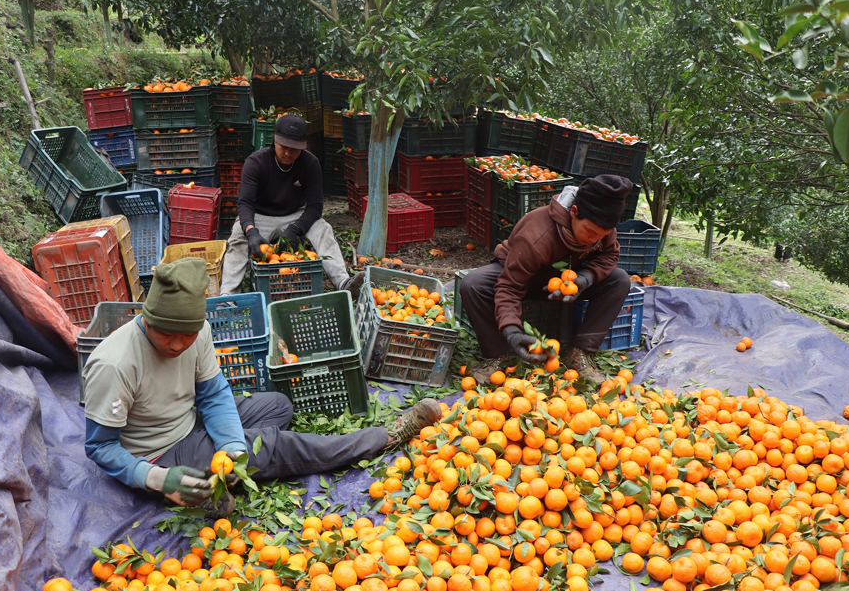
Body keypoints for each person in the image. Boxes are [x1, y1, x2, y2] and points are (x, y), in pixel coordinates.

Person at [83, 258, 440, 516]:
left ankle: (221, 477)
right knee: (275, 444)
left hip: (189, 419)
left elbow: (213, 393)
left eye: (186, 336)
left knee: (278, 406)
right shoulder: (116, 362)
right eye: (166, 334)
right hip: (159, 450)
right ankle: (383, 437)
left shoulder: (200, 332)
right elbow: (100, 447)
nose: (177, 345)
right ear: (147, 319)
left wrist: (233, 446)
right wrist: (157, 478)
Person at [459, 175, 634, 384]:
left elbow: (609, 256)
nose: (594, 239)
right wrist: (512, 332)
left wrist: (585, 279)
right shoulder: (537, 236)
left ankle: (579, 352)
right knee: (473, 284)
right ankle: (497, 356)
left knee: (620, 280)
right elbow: (509, 287)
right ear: (574, 212)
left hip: (566, 280)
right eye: (590, 232)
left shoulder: (602, 229)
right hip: (522, 275)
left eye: (601, 235)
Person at [220, 114, 365, 298]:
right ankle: (227, 296)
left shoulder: (310, 164)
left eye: (294, 149)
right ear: (275, 141)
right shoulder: (256, 163)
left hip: (295, 214)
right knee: (238, 238)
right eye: (284, 147)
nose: (288, 153)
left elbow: (315, 206)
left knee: (323, 229)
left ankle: (343, 282)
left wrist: (296, 228)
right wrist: (251, 231)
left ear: (303, 147)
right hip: (261, 215)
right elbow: (245, 202)